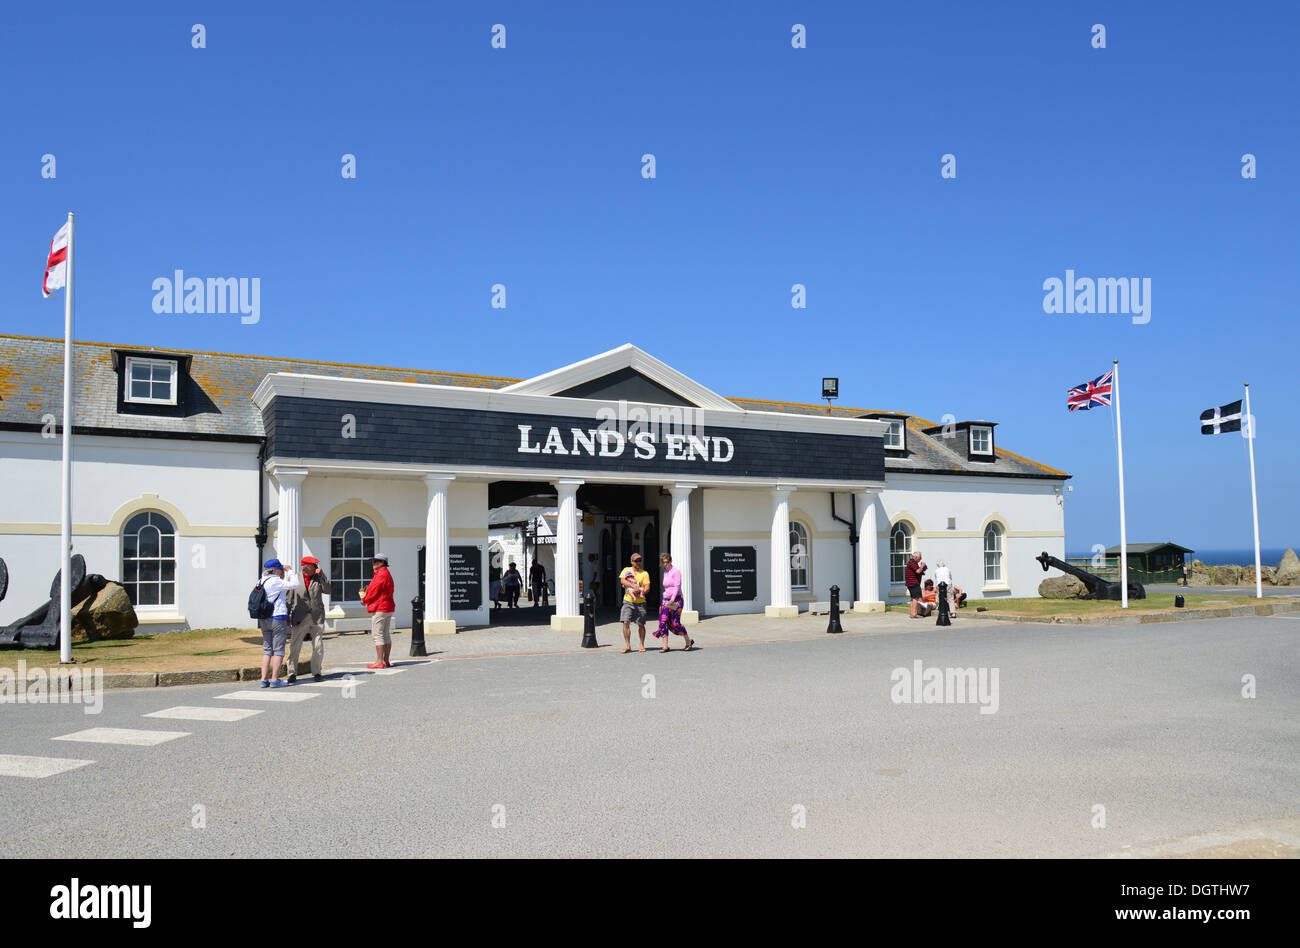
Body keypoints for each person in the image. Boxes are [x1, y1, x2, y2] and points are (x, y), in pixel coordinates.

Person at [257, 559, 301, 687]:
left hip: (264, 618)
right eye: (280, 569)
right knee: (278, 650)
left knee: (267, 650)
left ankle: (263, 679)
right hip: (277, 617)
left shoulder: (261, 581)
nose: (282, 571)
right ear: (275, 570)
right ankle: (275, 679)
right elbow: (295, 584)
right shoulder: (275, 581)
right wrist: (290, 571)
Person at [284, 556, 327, 683]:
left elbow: (328, 590)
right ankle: (292, 672)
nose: (317, 568)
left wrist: (322, 576)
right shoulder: (295, 579)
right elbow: (288, 599)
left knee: (318, 646)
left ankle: (317, 671)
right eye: (314, 566)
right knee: (295, 646)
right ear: (307, 567)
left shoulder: (318, 578)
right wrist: (286, 616)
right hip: (300, 617)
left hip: (316, 617)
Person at [360, 553, 395, 669]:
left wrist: (364, 599)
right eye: (373, 561)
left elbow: (374, 591)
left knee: (378, 635)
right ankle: (386, 661)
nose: (373, 563)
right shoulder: (386, 573)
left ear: (382, 563)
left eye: (376, 561)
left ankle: (379, 661)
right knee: (385, 635)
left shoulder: (381, 574)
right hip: (388, 606)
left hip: (380, 607)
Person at [653, 552, 694, 652]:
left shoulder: (676, 571)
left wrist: (672, 598)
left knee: (675, 624)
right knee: (663, 622)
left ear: (670, 561)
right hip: (666, 600)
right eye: (663, 562)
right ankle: (665, 646)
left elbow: (677, 586)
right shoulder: (665, 573)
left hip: (676, 600)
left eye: (667, 562)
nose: (665, 564)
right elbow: (667, 587)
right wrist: (668, 599)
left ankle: (688, 641)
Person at [618, 553, 650, 654]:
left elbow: (647, 587)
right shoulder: (626, 570)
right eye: (636, 561)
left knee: (641, 624)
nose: (638, 562)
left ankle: (641, 645)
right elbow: (622, 580)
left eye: (639, 560)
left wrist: (641, 591)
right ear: (631, 562)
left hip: (640, 602)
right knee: (626, 621)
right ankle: (627, 645)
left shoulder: (644, 573)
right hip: (628, 601)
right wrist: (633, 586)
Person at [905, 551, 927, 618]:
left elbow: (918, 571)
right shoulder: (912, 563)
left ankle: (912, 613)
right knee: (915, 598)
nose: (921, 558)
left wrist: (922, 568)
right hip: (913, 583)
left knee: (912, 598)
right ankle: (914, 614)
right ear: (916, 557)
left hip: (911, 583)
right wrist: (922, 566)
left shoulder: (913, 563)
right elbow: (917, 571)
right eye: (920, 557)